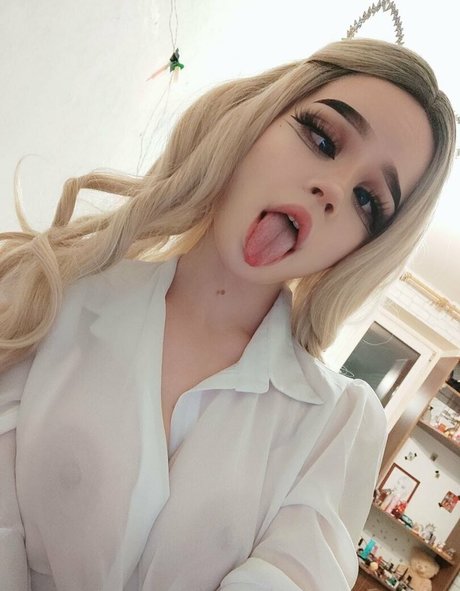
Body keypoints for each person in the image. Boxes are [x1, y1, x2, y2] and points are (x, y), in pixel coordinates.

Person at [0, 37, 456, 591]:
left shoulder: (336, 425)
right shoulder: (50, 292)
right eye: (321, 138)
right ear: (257, 120)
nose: (333, 189)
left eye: (368, 200)